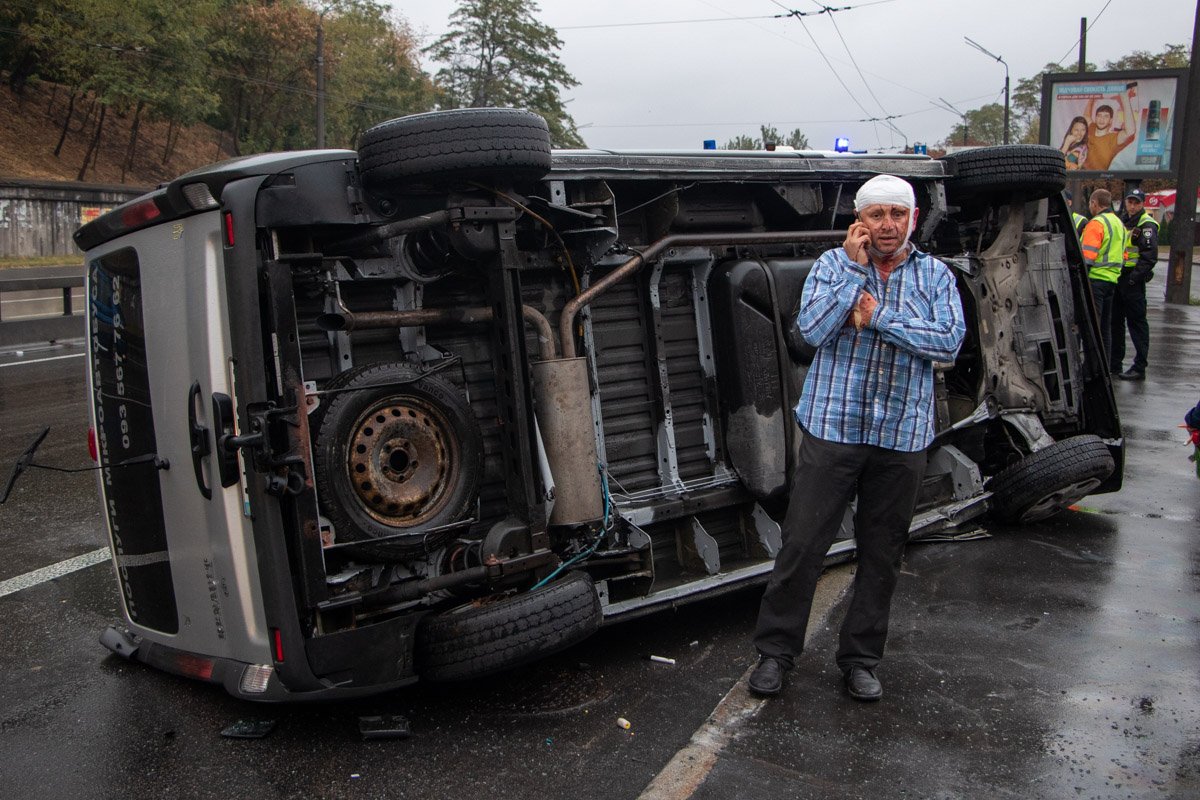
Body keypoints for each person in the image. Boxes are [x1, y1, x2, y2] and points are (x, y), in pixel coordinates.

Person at [748, 175, 966, 702]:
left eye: (897, 214)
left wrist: (880, 317)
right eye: (876, 215)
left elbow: (949, 343)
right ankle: (775, 654)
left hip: (902, 434)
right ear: (859, 220)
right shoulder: (831, 266)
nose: (887, 225)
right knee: (802, 546)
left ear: (912, 218)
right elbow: (812, 332)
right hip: (834, 429)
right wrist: (853, 271)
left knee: (882, 553)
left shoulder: (936, 275)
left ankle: (861, 660)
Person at [1111, 188, 1159, 380]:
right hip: (1119, 277)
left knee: (1137, 324)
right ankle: (1115, 363)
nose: (1132, 206)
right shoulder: (1122, 220)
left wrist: (1133, 279)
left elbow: (1149, 257)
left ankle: (1140, 367)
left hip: (1133, 280)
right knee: (1116, 324)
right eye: (1130, 202)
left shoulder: (1147, 224)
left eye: (1136, 202)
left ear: (1142, 204)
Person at [1079, 189, 1127, 371]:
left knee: (1092, 326)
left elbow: (1087, 258)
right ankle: (1104, 366)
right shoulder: (1119, 224)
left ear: (1094, 203)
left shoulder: (1096, 223)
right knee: (1105, 328)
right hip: (1112, 281)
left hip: (1095, 281)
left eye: (1091, 204)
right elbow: (1124, 255)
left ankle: (1091, 368)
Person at [1082, 94, 1137, 171]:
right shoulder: (1092, 127)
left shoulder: (1114, 138)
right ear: (1096, 118)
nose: (1101, 119)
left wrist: (1125, 98)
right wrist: (1091, 98)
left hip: (1099, 179)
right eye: (1099, 115)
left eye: (1106, 116)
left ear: (1110, 121)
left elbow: (1130, 131)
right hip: (1081, 174)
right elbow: (1086, 116)